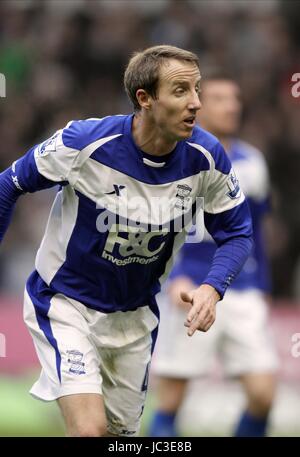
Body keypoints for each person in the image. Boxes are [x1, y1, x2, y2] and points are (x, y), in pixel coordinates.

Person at [0, 46, 252, 437]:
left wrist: (212, 287)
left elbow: (236, 232)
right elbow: (8, 184)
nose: (197, 103)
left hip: (134, 319)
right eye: (181, 90)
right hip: (67, 304)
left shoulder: (207, 158)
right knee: (89, 431)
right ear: (145, 99)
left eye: (197, 89)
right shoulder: (84, 142)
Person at [149, 72, 278, 438]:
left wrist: (264, 282)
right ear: (198, 107)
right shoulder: (175, 158)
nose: (231, 106)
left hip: (244, 286)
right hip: (190, 287)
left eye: (235, 98)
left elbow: (256, 231)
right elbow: (156, 228)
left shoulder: (253, 162)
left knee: (263, 395)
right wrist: (172, 279)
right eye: (220, 98)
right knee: (171, 399)